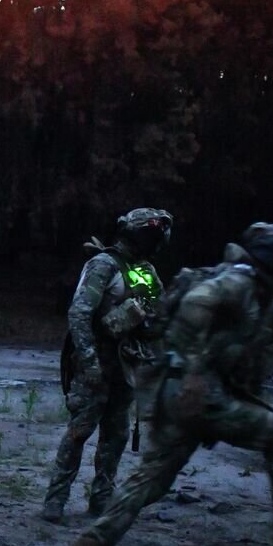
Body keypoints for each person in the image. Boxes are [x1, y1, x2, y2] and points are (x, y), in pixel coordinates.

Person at [62, 223, 273, 546]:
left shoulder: (262, 292)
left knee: (152, 479)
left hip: (183, 396)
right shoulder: (235, 284)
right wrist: (191, 372)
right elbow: (197, 303)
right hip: (200, 396)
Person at [41, 208, 173, 523]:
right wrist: (89, 363)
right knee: (79, 432)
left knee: (115, 438)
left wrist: (147, 329)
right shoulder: (103, 264)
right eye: (151, 235)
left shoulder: (145, 270)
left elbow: (159, 316)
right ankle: (55, 502)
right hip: (97, 363)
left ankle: (101, 503)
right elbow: (79, 314)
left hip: (126, 366)